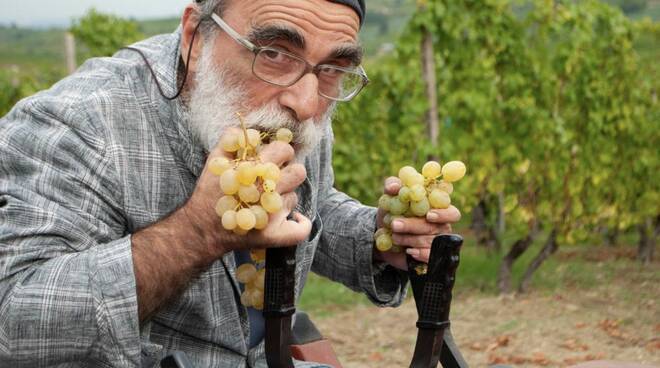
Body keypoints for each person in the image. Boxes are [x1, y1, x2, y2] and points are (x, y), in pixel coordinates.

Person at [0, 0, 461, 366]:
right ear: (194, 39)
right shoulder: (79, 122)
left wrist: (379, 239)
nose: (304, 103)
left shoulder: (296, 99)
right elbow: (12, 321)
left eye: (332, 69)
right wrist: (197, 233)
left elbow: (306, 204)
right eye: (274, 54)